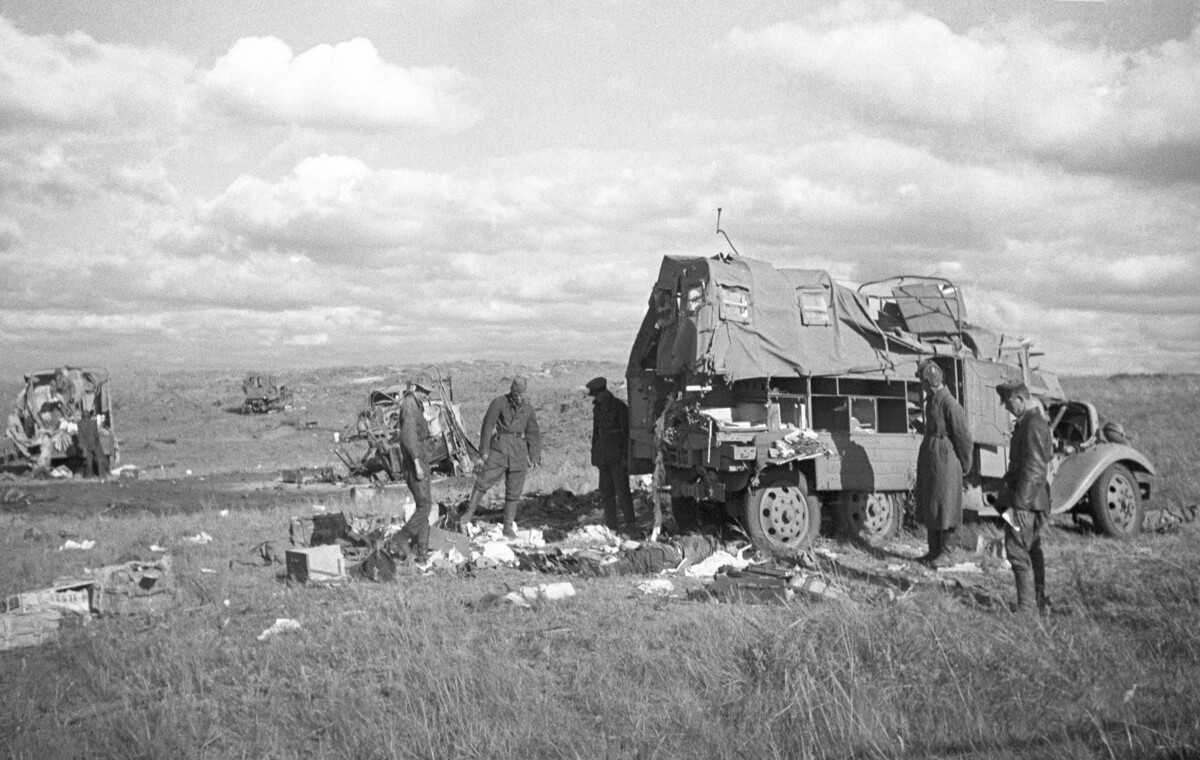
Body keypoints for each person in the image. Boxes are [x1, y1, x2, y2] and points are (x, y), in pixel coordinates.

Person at [458, 376, 542, 538]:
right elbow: (487, 426)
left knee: (514, 492)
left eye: (522, 395)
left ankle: (508, 526)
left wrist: (534, 456)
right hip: (499, 448)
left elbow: (533, 432)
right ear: (512, 391)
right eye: (517, 394)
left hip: (519, 452)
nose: (520, 398)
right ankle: (467, 515)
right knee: (483, 481)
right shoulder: (499, 403)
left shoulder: (528, 409)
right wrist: (484, 452)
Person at [996, 381, 1052, 616]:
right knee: (1031, 550)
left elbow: (1036, 468)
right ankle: (1038, 603)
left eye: (1009, 404)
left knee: (1017, 551)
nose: (1008, 409)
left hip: (1026, 503)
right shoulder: (1030, 423)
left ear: (1020, 398)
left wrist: (1020, 504)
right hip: (1030, 500)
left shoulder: (1032, 425)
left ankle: (1027, 610)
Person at [913, 360, 973, 568]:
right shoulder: (932, 401)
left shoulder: (950, 404)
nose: (921, 384)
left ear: (930, 380)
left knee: (946, 504)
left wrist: (965, 466)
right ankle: (934, 550)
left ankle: (947, 552)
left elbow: (963, 437)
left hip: (946, 461)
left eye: (922, 380)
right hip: (932, 459)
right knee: (932, 502)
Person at [392, 374, 437, 561]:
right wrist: (418, 464)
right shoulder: (410, 405)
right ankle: (401, 538)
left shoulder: (415, 404)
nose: (426, 395)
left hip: (420, 460)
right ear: (416, 388)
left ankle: (422, 551)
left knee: (423, 506)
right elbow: (409, 438)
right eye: (424, 392)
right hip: (415, 462)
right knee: (425, 506)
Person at [586, 377, 636, 535]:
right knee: (606, 493)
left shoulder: (619, 407)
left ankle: (630, 523)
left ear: (604, 392)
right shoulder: (597, 409)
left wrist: (625, 456)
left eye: (597, 395)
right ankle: (611, 526)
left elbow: (626, 433)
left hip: (617, 455)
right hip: (603, 456)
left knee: (622, 491)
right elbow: (596, 433)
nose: (596, 398)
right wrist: (594, 454)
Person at [76, 411, 110, 479]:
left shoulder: (79, 423)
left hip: (86, 444)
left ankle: (89, 475)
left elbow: (79, 435)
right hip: (94, 443)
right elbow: (96, 434)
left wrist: (82, 446)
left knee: (89, 460)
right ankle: (102, 475)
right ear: (89, 416)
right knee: (99, 458)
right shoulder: (93, 422)